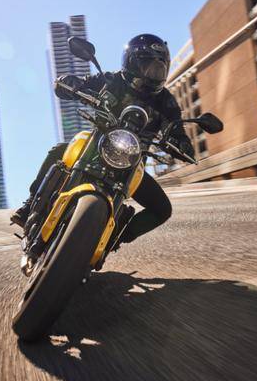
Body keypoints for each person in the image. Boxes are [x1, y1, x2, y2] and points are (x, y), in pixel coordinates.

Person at [11, 34, 194, 247]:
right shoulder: (112, 80)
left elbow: (176, 129)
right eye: (147, 65)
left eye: (158, 67)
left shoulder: (167, 102)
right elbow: (80, 84)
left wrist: (182, 144)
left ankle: (115, 237)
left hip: (131, 165)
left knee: (162, 210)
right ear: (132, 62)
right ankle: (30, 205)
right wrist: (70, 83)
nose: (152, 72)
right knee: (60, 150)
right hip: (96, 148)